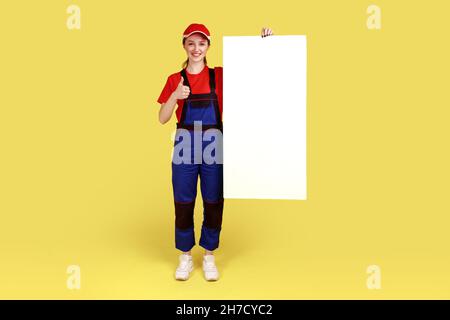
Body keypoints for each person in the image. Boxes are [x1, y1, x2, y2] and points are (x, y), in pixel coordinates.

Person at [157, 23, 274, 281]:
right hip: (184, 147)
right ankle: (185, 257)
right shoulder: (173, 80)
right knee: (184, 202)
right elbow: (162, 118)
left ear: (208, 46)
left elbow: (255, 73)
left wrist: (264, 45)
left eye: (201, 43)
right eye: (191, 43)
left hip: (214, 145)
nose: (196, 48)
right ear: (184, 46)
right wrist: (175, 95)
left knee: (213, 201)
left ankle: (209, 255)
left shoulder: (220, 75)